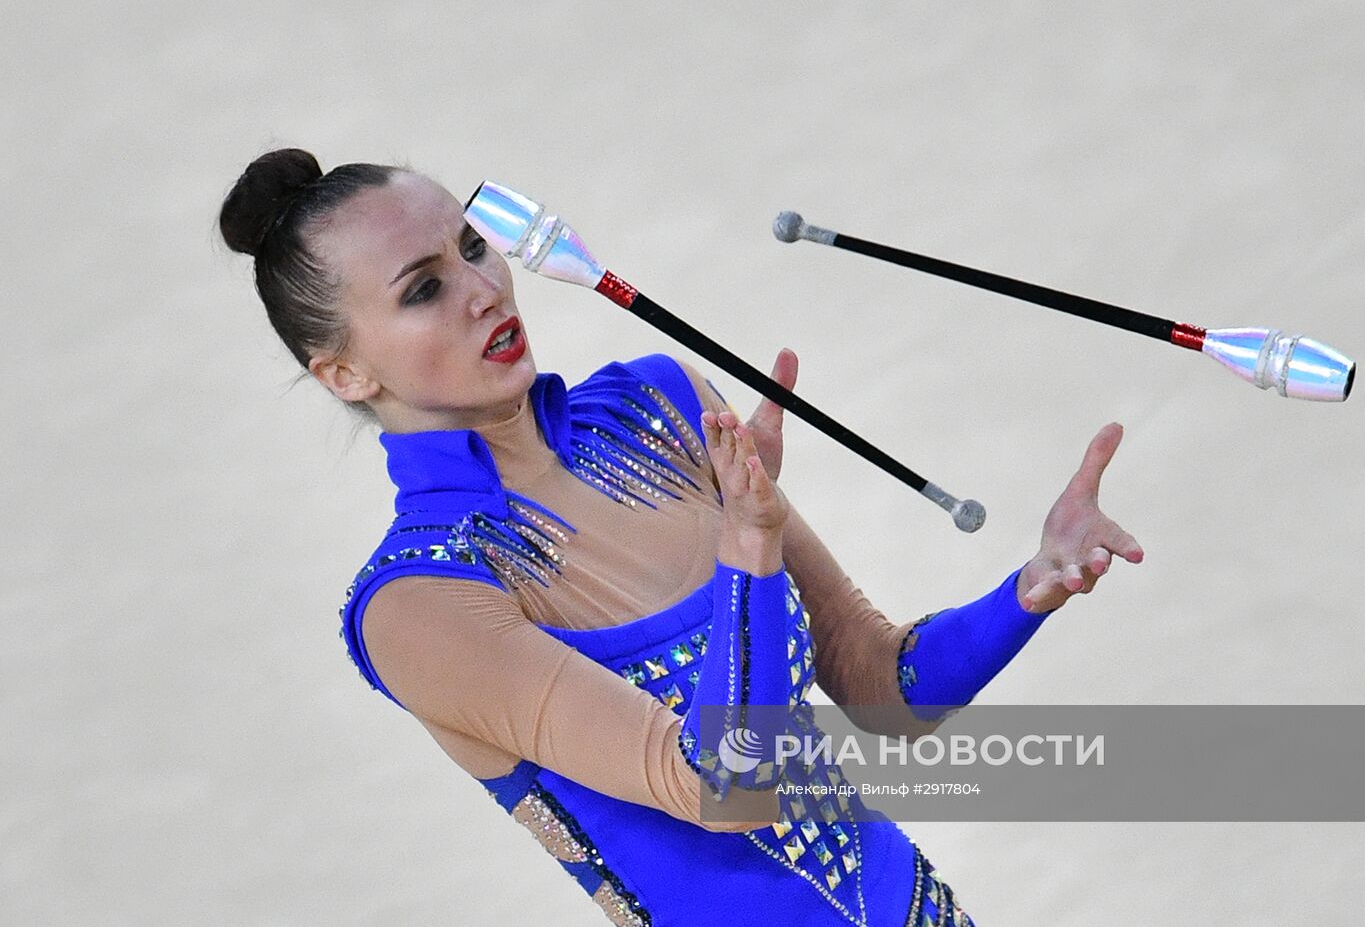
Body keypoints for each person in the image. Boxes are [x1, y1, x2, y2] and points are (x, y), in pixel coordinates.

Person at [219, 148, 1144, 927]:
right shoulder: (417, 602)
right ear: (341, 373)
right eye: (424, 289)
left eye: (473, 247)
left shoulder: (659, 403)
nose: (483, 289)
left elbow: (881, 685)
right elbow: (726, 789)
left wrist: (1033, 584)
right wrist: (749, 549)